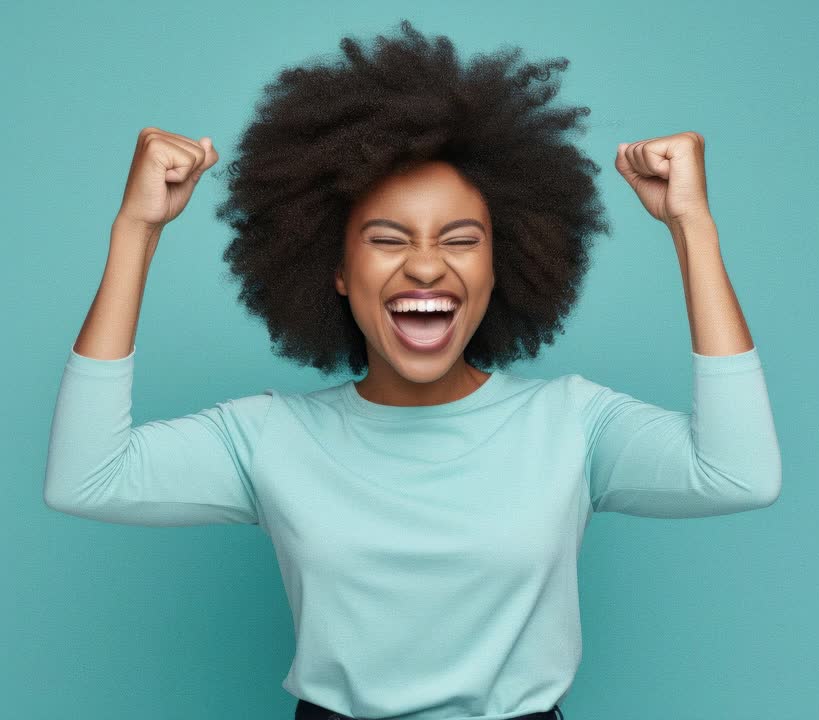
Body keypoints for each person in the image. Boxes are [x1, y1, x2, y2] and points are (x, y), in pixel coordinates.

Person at [44, 19, 781, 720]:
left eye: (460, 240)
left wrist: (693, 226)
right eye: (388, 239)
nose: (425, 265)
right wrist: (136, 230)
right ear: (334, 269)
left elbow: (739, 474)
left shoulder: (572, 423)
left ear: (504, 266)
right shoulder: (271, 436)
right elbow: (87, 478)